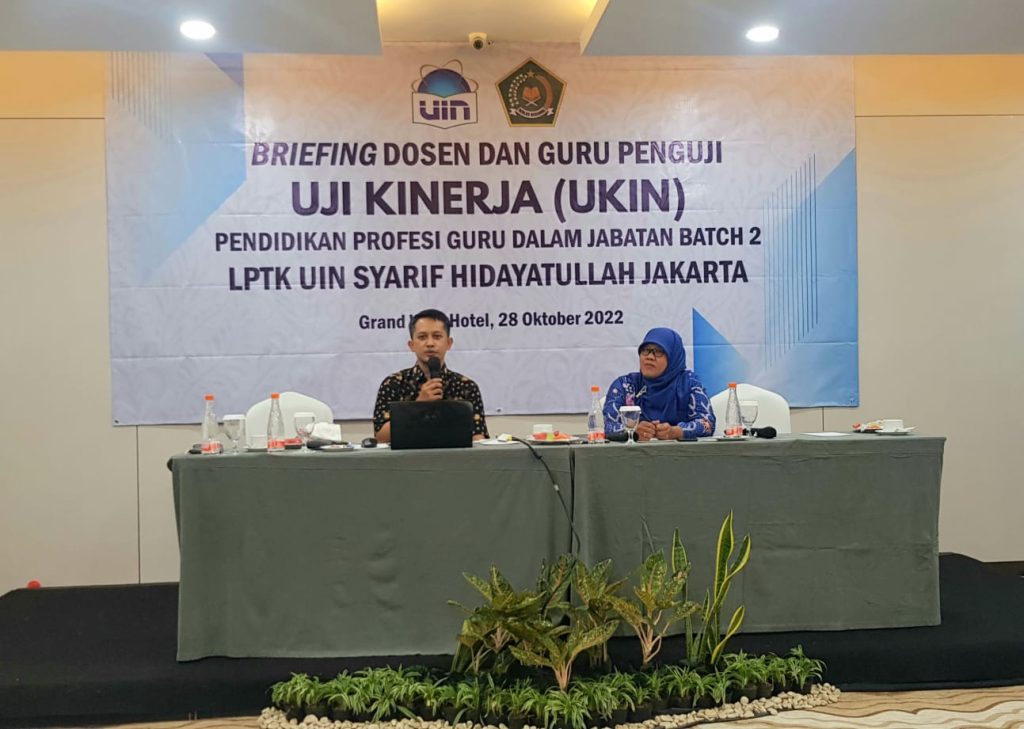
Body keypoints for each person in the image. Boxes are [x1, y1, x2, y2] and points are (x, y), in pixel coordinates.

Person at [372, 309, 489, 443]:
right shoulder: (393, 384)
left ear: (449, 343)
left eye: (437, 336)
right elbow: (380, 438)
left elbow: (478, 437)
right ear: (412, 345)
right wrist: (418, 406)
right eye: (422, 337)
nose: (430, 343)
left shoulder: (466, 386)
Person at [603, 327, 715, 441]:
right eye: (645, 350)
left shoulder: (689, 383)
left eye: (658, 351)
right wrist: (633, 431)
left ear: (673, 357)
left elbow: (707, 425)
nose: (650, 357)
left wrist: (675, 432)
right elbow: (608, 427)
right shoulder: (625, 385)